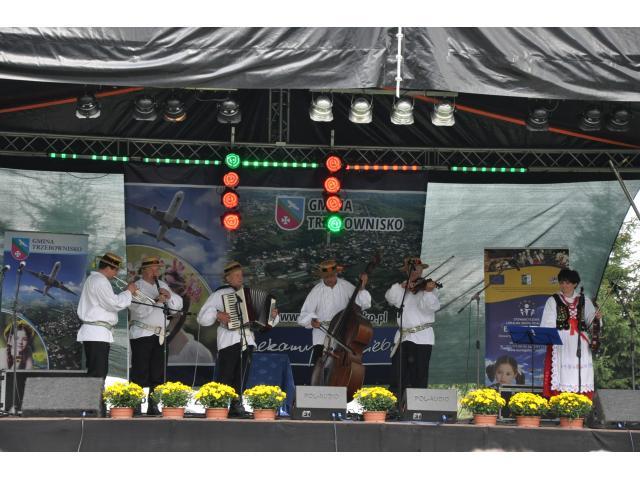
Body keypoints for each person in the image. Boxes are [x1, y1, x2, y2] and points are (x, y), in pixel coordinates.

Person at [197, 261, 279, 417]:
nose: (240, 278)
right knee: (226, 374)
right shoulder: (219, 294)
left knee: (242, 375)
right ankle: (219, 405)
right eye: (236, 275)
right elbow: (202, 318)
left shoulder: (247, 294)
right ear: (227, 278)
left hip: (247, 340)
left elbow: (266, 322)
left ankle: (236, 405)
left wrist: (272, 316)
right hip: (229, 340)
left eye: (241, 275)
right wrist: (217, 314)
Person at [297, 259, 370, 381]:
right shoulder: (316, 291)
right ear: (322, 277)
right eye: (326, 276)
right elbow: (303, 316)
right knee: (319, 367)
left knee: (341, 365)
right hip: (322, 334)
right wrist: (312, 320)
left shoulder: (346, 286)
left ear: (336, 274)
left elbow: (364, 304)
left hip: (343, 334)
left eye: (332, 275)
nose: (330, 279)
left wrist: (362, 287)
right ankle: (318, 389)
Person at [128, 256, 183, 415]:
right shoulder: (136, 287)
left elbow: (176, 308)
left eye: (158, 268)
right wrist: (156, 300)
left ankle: (153, 405)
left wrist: (169, 296)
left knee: (158, 373)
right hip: (142, 333)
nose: (156, 271)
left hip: (160, 335)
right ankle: (135, 404)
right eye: (153, 268)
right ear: (144, 270)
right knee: (140, 371)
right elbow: (140, 311)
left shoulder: (163, 285)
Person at [540, 268, 601, 399]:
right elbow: (547, 324)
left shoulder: (584, 300)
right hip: (561, 341)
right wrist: (558, 333)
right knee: (561, 372)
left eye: (567, 283)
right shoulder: (553, 300)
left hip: (580, 342)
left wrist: (597, 318)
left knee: (580, 373)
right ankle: (560, 401)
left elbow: (592, 324)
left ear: (575, 284)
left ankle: (580, 402)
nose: (564, 285)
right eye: (562, 282)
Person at [385, 256, 440, 400]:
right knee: (398, 373)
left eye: (418, 269)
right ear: (407, 271)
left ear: (422, 271)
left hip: (422, 337)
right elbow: (390, 298)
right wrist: (401, 286)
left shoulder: (429, 288)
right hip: (403, 336)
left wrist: (427, 291)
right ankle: (396, 404)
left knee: (419, 374)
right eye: (412, 269)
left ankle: (418, 405)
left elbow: (430, 308)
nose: (415, 271)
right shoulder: (401, 288)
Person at [76, 252, 136, 379]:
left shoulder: (96, 280)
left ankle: (95, 393)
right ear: (108, 268)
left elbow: (109, 302)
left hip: (97, 333)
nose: (117, 274)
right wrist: (128, 292)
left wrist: (126, 293)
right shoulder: (100, 281)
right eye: (116, 270)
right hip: (96, 334)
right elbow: (113, 304)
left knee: (98, 373)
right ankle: (93, 393)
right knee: (97, 374)